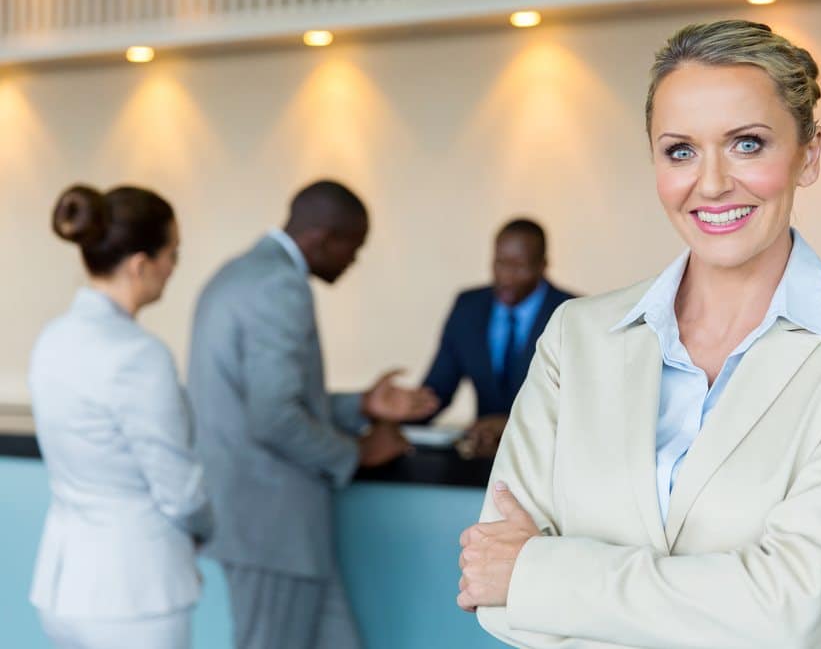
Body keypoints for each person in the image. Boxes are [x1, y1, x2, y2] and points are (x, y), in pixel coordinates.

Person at [458, 20, 821, 649]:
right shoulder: (576, 337)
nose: (710, 183)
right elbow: (491, 590)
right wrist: (743, 610)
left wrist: (539, 578)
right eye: (680, 150)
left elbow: (793, 611)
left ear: (809, 155)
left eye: (747, 144)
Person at [187, 179, 438, 649]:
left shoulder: (238, 272)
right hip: (273, 529)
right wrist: (359, 451)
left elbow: (266, 400)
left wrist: (362, 406)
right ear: (323, 238)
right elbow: (273, 417)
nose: (353, 261)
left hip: (277, 531)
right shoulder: (280, 285)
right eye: (353, 248)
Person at [29, 184, 213, 649]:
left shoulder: (52, 339)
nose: (174, 268)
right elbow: (179, 492)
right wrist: (208, 528)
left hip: (65, 587)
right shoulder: (139, 356)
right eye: (173, 253)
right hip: (133, 595)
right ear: (140, 265)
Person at [421, 219, 575, 458]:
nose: (506, 277)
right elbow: (439, 388)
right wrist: (401, 410)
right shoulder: (468, 307)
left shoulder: (572, 313)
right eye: (500, 263)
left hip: (550, 461)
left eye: (519, 266)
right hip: (482, 458)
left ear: (543, 266)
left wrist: (512, 424)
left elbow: (581, 405)